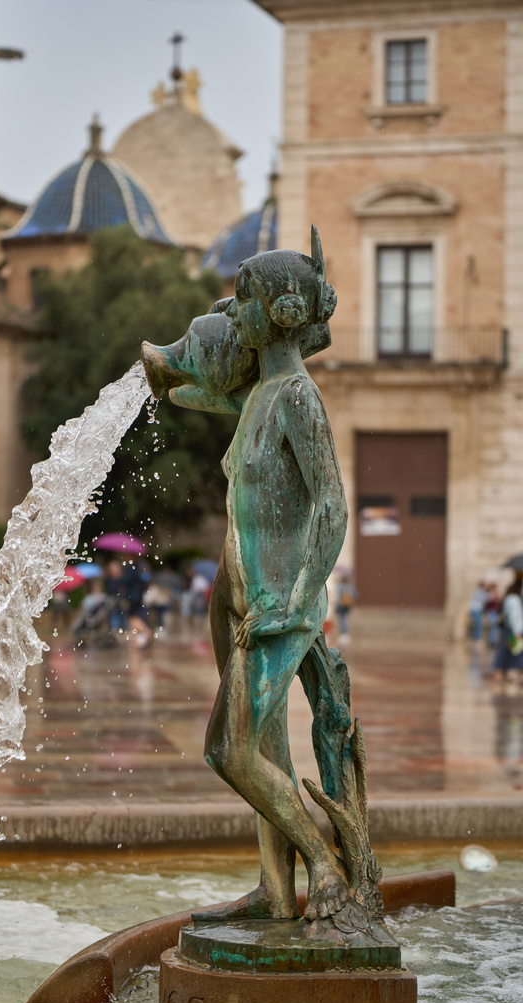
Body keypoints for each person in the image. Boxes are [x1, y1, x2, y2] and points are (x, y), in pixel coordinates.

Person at [142, 232, 355, 924]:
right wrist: (169, 371)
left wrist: (297, 602)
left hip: (275, 601)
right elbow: (195, 399)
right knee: (267, 749)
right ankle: (275, 888)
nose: (233, 312)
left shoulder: (296, 397)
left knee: (228, 750)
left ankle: (323, 865)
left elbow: (331, 504)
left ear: (282, 311)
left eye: (244, 301)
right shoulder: (262, 392)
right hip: (237, 594)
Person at [493, 579, 523, 687]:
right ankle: (518, 676)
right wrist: (518, 632)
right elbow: (515, 617)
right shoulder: (514, 600)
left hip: (508, 628)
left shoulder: (509, 598)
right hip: (514, 629)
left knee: (505, 653)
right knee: (517, 653)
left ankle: (500, 674)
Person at [335, 573, 357, 644]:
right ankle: (346, 634)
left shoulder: (341, 586)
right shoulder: (350, 587)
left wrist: (337, 605)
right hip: (347, 605)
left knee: (342, 619)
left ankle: (343, 634)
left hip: (341, 605)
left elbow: (338, 596)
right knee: (344, 618)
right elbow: (356, 595)